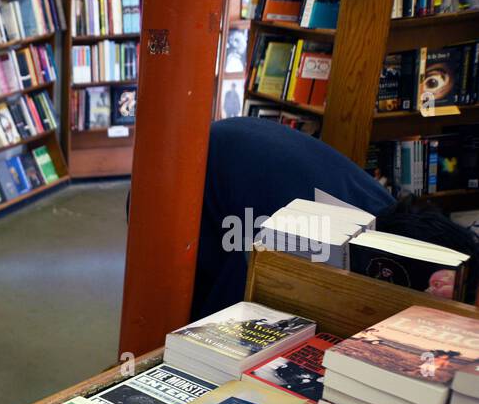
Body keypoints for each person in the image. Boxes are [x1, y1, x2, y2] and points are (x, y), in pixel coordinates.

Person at [192, 117, 479, 318]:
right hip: (202, 177)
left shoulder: (385, 216)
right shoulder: (319, 233)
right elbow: (239, 302)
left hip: (236, 149)